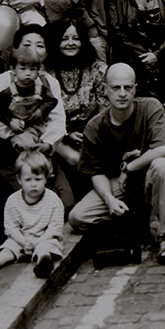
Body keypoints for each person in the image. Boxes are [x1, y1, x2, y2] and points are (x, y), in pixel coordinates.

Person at [68, 63, 165, 266]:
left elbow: (164, 149)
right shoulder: (95, 126)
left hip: (150, 178)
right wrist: (109, 200)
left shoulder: (150, 107)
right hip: (120, 186)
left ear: (135, 89)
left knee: (163, 165)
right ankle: (140, 221)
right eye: (116, 88)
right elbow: (96, 172)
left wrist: (128, 168)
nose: (122, 94)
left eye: (128, 88)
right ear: (105, 90)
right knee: (78, 217)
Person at [42, 17, 108, 205]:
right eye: (64, 39)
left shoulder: (97, 69)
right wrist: (67, 134)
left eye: (76, 38)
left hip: (92, 132)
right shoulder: (45, 73)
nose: (71, 43)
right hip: (58, 135)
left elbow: (105, 107)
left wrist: (90, 132)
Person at [0, 152, 65, 279]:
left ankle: (44, 264)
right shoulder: (12, 201)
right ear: (19, 179)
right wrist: (24, 242)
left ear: (46, 178)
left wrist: (37, 242)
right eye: (28, 179)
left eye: (38, 179)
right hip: (20, 238)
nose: (33, 184)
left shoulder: (53, 200)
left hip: (44, 237)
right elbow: (11, 228)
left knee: (45, 248)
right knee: (7, 250)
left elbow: (54, 229)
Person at [0, 39, 66, 166]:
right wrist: (11, 121)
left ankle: (44, 167)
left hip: (38, 126)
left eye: (32, 69)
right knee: (25, 146)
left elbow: (52, 101)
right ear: (13, 70)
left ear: (38, 70)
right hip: (16, 130)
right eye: (23, 69)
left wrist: (41, 110)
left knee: (40, 144)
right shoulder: (8, 90)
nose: (28, 74)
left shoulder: (41, 87)